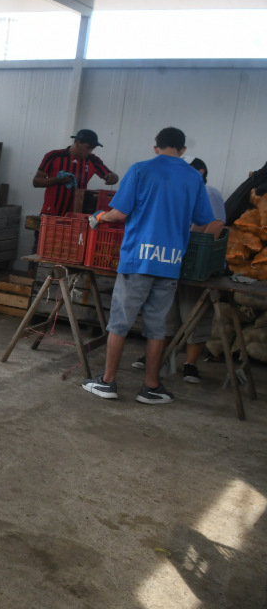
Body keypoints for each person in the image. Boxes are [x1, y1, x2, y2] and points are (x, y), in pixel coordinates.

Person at [82, 127, 216, 405]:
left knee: (120, 323)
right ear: (182, 150)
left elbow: (120, 212)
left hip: (137, 259)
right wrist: (179, 236)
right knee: (157, 327)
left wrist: (100, 217)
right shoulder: (194, 176)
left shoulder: (141, 169)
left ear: (156, 147)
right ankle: (151, 387)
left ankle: (107, 382)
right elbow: (203, 220)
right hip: (170, 263)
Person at [132, 157, 225, 383]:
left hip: (196, 265)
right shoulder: (180, 190)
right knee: (166, 315)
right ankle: (158, 357)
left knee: (193, 313)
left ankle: (190, 365)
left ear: (200, 172)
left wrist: (195, 252)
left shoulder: (208, 192)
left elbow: (215, 225)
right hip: (174, 262)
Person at [33, 129, 119, 216]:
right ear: (78, 143)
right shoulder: (53, 156)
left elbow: (111, 176)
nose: (90, 152)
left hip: (77, 215)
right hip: (50, 213)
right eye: (88, 148)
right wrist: (57, 180)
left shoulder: (93, 160)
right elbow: (36, 182)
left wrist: (113, 177)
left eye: (92, 149)